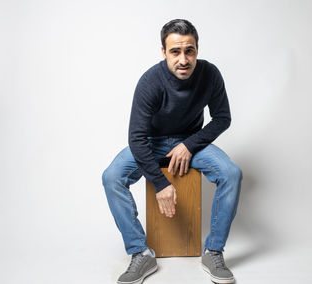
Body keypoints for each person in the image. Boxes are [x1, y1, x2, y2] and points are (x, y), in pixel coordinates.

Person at [102, 19, 242, 284]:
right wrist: (160, 183)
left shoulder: (210, 74)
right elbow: (136, 137)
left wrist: (189, 145)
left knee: (231, 173)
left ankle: (213, 251)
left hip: (191, 142)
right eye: (175, 51)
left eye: (189, 50)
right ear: (163, 52)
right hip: (151, 143)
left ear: (197, 49)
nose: (183, 59)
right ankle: (140, 253)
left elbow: (222, 117)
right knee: (111, 177)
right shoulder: (150, 81)